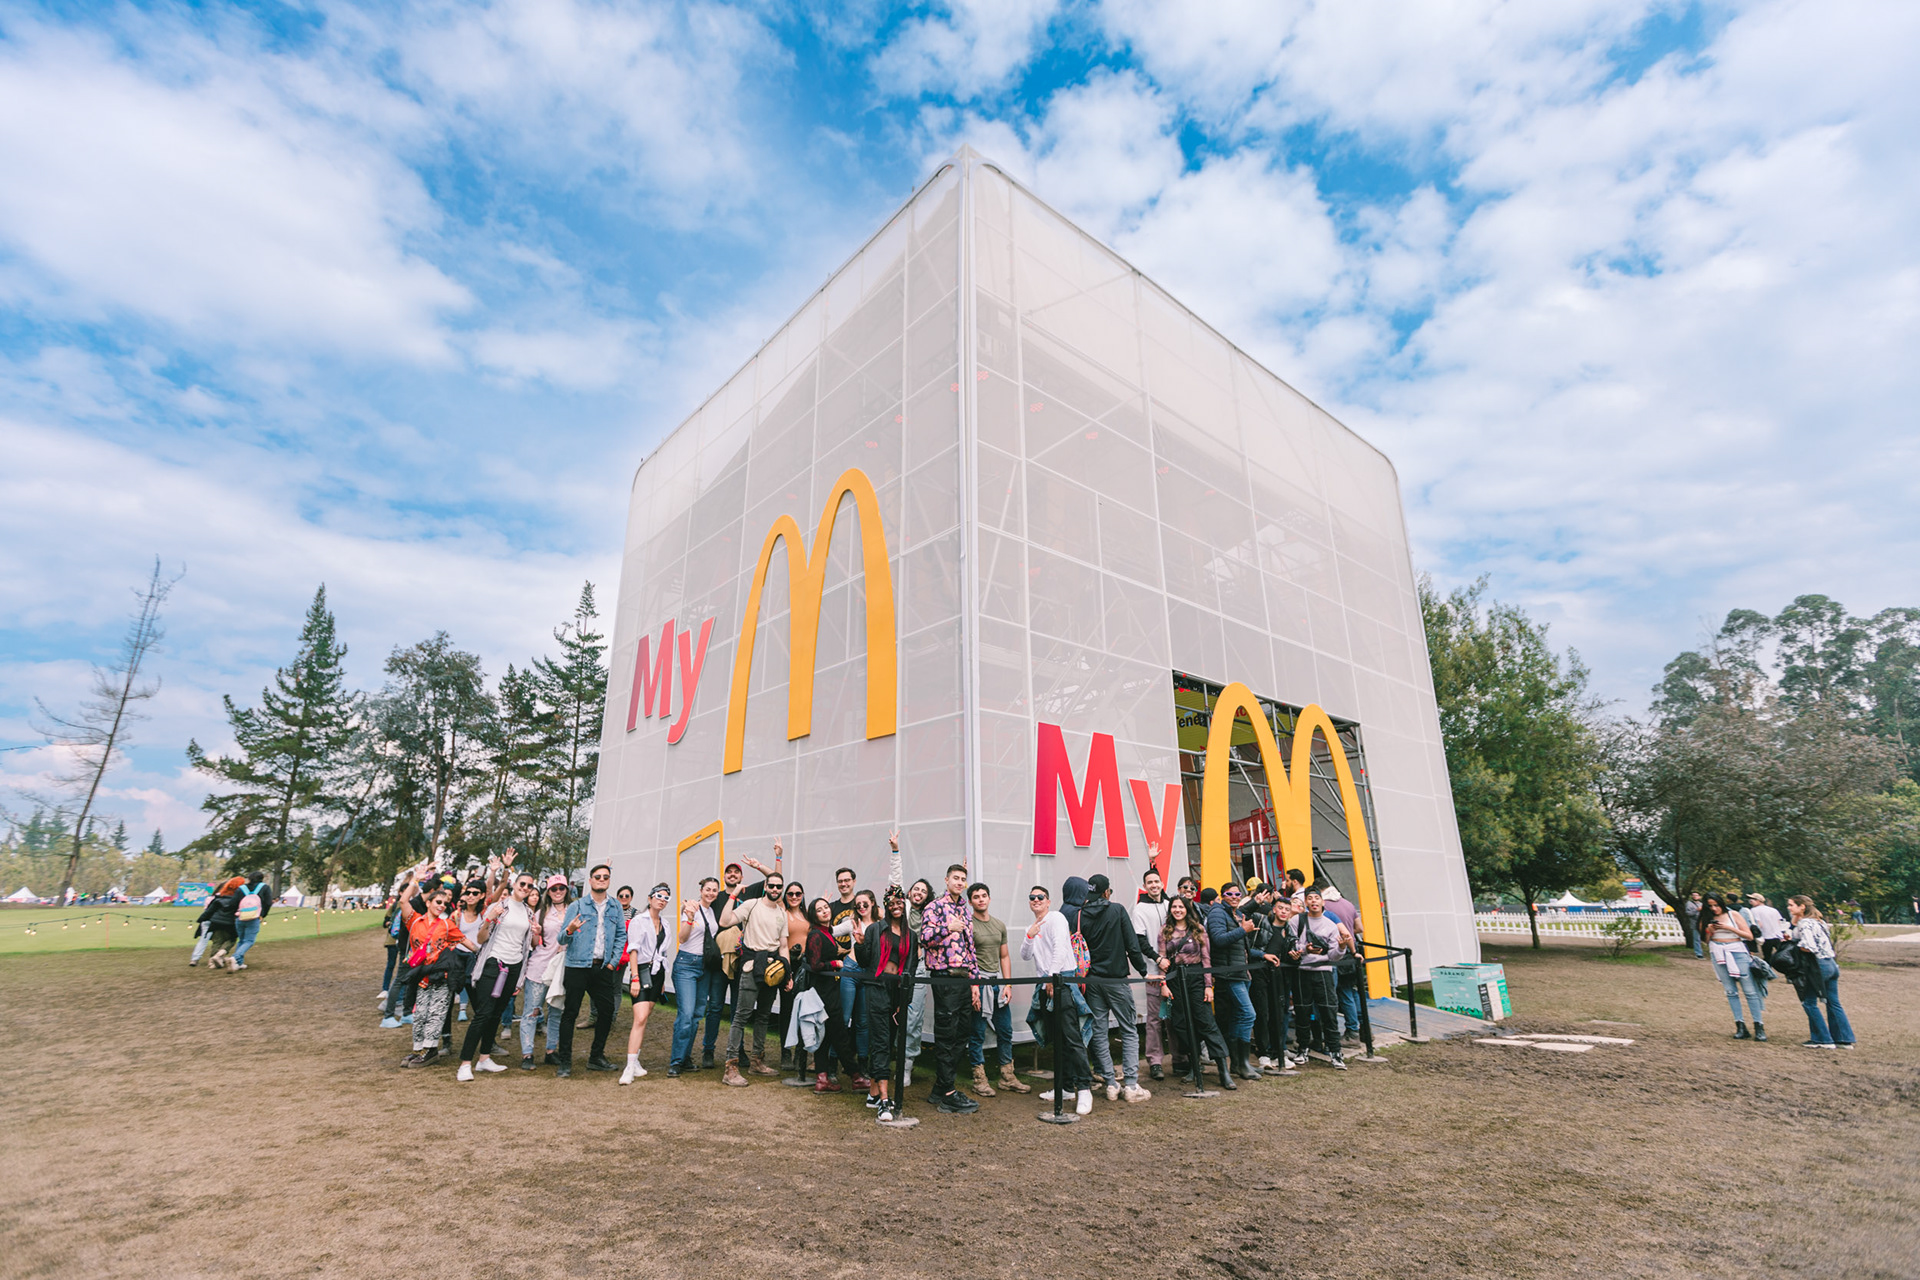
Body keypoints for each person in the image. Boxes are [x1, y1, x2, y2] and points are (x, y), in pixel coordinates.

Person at [1078, 873, 1152, 1103]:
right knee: (1128, 1030)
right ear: (1107, 892)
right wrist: (1143, 971)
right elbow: (1132, 944)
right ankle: (1130, 1085)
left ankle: (1110, 1083)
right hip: (1117, 979)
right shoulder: (1117, 910)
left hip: (1092, 981)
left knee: (1099, 1030)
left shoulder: (1080, 914)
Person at [457, 866, 536, 1081]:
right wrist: (490, 918)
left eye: (530, 886)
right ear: (514, 885)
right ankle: (465, 1063)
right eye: (523, 884)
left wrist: (535, 931)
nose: (526, 888)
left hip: (514, 966)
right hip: (493, 964)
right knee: (483, 1013)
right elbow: (481, 939)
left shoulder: (529, 913)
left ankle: (484, 1059)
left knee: (497, 1013)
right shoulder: (499, 906)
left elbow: (530, 944)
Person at [719, 850, 790, 1085]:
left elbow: (783, 945)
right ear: (766, 887)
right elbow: (724, 922)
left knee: (763, 1016)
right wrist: (734, 895)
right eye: (772, 886)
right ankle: (731, 1068)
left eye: (779, 887)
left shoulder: (782, 912)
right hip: (751, 966)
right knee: (741, 1016)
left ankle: (757, 1061)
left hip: (773, 970)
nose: (775, 889)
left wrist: (786, 971)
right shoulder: (751, 904)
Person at [1024, 883, 1093, 1115]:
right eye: (1032, 897)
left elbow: (1060, 949)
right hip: (1045, 983)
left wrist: (1053, 979)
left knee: (1072, 1037)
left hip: (1060, 980)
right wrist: (1028, 936)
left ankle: (1084, 1088)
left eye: (1040, 896)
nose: (1036, 900)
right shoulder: (1033, 926)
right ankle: (1064, 1087)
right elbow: (1025, 955)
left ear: (1048, 900)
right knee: (1057, 1038)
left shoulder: (1057, 918)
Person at [919, 863, 982, 1114]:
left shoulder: (966, 911)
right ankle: (947, 1093)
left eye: (963, 879)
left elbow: (971, 949)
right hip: (944, 975)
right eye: (955, 878)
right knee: (947, 1032)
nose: (959, 882)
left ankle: (941, 1086)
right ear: (946, 880)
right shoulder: (934, 906)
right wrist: (948, 928)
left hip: (965, 976)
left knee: (962, 1033)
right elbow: (924, 938)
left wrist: (975, 982)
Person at [555, 862, 628, 1078]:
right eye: (598, 877)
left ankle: (596, 1057)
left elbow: (621, 936)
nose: (602, 880)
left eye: (605, 877)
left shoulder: (615, 906)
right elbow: (561, 938)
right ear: (590, 880)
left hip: (602, 968)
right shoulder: (577, 906)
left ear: (608, 881)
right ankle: (565, 1062)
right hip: (577, 966)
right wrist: (570, 929)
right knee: (570, 1013)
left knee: (606, 1012)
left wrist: (612, 963)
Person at [1157, 895, 1233, 1090]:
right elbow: (1163, 960)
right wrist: (1163, 984)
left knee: (1206, 1021)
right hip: (1175, 980)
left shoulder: (1198, 929)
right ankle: (1194, 1065)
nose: (1177, 910)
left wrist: (1209, 986)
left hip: (1197, 978)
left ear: (1187, 909)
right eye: (1174, 907)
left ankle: (1223, 1069)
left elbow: (1207, 959)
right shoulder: (1165, 932)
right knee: (1181, 1024)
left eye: (1181, 906)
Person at [400, 879, 475, 1068]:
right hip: (422, 975)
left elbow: (467, 943)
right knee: (420, 1013)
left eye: (444, 903)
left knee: (436, 1012)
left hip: (442, 975)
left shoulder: (447, 925)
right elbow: (403, 901)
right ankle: (419, 1049)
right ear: (428, 903)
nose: (441, 906)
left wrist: (484, 952)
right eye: (437, 902)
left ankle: (431, 1050)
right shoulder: (415, 921)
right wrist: (415, 880)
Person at [859, 886, 918, 1122]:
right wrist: (860, 943)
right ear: (886, 906)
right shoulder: (875, 929)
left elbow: (911, 969)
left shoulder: (910, 935)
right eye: (891, 903)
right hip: (876, 990)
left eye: (899, 903)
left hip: (897, 993)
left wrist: (906, 1000)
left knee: (887, 1043)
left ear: (904, 905)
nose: (896, 906)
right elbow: (865, 962)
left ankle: (873, 1093)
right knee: (881, 1042)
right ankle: (884, 1099)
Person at [965, 882, 1028, 1096]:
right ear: (970, 901)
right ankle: (979, 1079)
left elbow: (1004, 956)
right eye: (976, 896)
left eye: (984, 895)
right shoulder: (968, 925)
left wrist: (1007, 984)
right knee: (977, 1032)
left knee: (1005, 1030)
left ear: (989, 899)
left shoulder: (999, 925)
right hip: (978, 982)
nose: (981, 899)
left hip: (997, 983)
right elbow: (966, 959)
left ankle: (1007, 1076)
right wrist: (973, 986)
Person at [804, 898, 868, 1093]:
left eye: (826, 907)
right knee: (839, 1034)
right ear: (813, 914)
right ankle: (856, 1076)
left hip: (828, 990)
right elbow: (814, 964)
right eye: (819, 909)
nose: (824, 911)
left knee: (826, 1036)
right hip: (823, 992)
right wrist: (835, 964)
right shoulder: (816, 934)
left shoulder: (827, 932)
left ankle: (822, 1079)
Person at [1289, 889, 1355, 1070]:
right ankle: (1302, 1049)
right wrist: (1305, 949)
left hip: (1323, 972)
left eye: (1316, 898)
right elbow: (1292, 945)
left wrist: (1342, 947)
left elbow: (1334, 956)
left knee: (1329, 1012)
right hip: (1302, 971)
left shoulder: (1330, 925)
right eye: (1309, 898)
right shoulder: (1297, 921)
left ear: (1323, 902)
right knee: (1302, 1013)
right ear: (1305, 903)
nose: (1313, 901)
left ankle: (1335, 1052)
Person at [1206, 883, 1265, 1082]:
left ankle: (1240, 1063)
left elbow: (1242, 948)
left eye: (1237, 893)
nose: (1234, 896)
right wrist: (1243, 930)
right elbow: (1218, 939)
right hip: (1229, 974)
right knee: (1249, 1014)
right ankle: (1241, 1062)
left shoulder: (1233, 912)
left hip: (1242, 973)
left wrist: (1264, 955)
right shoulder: (1217, 913)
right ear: (1222, 896)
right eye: (1229, 894)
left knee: (1240, 1016)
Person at [616, 884, 672, 1085]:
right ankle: (629, 1066)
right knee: (639, 1018)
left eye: (666, 898)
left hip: (658, 974)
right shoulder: (638, 921)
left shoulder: (665, 924)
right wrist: (634, 977)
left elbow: (663, 953)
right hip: (641, 971)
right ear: (650, 898)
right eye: (658, 896)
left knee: (645, 1016)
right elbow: (633, 950)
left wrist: (663, 982)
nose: (662, 900)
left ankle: (636, 1062)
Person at [668, 877, 720, 1077]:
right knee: (686, 1014)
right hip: (686, 965)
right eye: (708, 889)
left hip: (704, 966)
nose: (711, 893)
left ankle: (686, 1057)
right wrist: (689, 917)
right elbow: (682, 938)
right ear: (701, 890)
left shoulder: (711, 911)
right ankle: (675, 1061)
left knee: (697, 1015)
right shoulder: (691, 906)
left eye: (714, 890)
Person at [1787, 896, 1855, 1049]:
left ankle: (1823, 1039)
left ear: (1802, 906)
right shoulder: (1819, 921)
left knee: (1809, 1002)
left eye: (1791, 905)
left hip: (1817, 966)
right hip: (1831, 963)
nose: (1789, 908)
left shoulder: (1805, 923)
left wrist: (1793, 945)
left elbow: (1808, 946)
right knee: (1833, 1002)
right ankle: (1843, 1039)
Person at [518, 876, 569, 1068]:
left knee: (556, 1012)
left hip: (563, 968)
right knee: (532, 1011)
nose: (557, 891)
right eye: (554, 888)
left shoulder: (574, 911)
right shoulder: (540, 913)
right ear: (548, 891)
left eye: (561, 888)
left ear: (566, 889)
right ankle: (527, 1054)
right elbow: (533, 943)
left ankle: (551, 1051)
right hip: (540, 967)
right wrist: (537, 932)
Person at [1700, 894, 1765, 1040]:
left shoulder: (1733, 914)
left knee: (1749, 990)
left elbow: (1749, 936)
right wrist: (1709, 930)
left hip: (1737, 951)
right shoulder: (1705, 917)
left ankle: (1759, 1025)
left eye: (1716, 905)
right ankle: (1740, 1025)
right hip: (1718, 952)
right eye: (1710, 906)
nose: (1714, 909)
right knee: (1730, 991)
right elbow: (1704, 940)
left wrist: (1729, 928)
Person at [1130, 871, 1171, 1081]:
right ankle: (1155, 1061)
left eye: (1157, 881)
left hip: (1175, 968)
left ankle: (1181, 1057)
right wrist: (1156, 959)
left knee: (1176, 1016)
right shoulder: (1139, 909)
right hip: (1154, 971)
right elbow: (1139, 941)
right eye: (1149, 882)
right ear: (1145, 885)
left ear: (1162, 883)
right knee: (1154, 1018)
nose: (1154, 885)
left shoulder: (1171, 904)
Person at [838, 888, 879, 1069]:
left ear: (872, 904)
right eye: (858, 905)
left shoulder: (880, 925)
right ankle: (833, 1063)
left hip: (868, 973)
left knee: (863, 1022)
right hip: (850, 970)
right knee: (844, 1018)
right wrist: (838, 953)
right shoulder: (852, 923)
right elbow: (829, 931)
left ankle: (863, 1064)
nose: (862, 907)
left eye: (865, 904)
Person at [901, 876, 936, 1085]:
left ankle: (907, 1065)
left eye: (923, 891)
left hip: (920, 966)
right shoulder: (902, 909)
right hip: (897, 965)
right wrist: (895, 851)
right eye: (916, 889)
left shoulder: (930, 915)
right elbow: (895, 881)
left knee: (914, 1017)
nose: (919, 892)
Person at [1319, 884, 1364, 1043]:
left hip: (1338, 953)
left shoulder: (1325, 907)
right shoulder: (1348, 903)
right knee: (1352, 992)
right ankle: (1363, 1029)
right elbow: (1359, 928)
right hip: (1352, 952)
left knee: (1343, 994)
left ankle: (1352, 1032)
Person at [192, 876, 245, 969]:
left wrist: (201, 919)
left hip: (215, 922)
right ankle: (221, 953)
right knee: (232, 940)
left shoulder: (218, 898)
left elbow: (209, 911)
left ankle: (211, 962)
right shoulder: (238, 900)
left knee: (217, 941)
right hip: (230, 923)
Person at [228, 871, 273, 970]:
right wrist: (262, 915)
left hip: (240, 917)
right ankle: (235, 958)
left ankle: (239, 963)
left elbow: (233, 903)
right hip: (254, 917)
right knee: (249, 941)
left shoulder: (241, 889)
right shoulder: (265, 888)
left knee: (242, 940)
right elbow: (268, 903)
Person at [1685, 891, 1705, 958]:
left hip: (1703, 923)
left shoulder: (1702, 904)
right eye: (1693, 895)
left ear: (1699, 896)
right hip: (1695, 923)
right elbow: (1688, 913)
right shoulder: (1689, 904)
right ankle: (1699, 953)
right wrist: (1696, 910)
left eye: (1696, 895)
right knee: (1697, 939)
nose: (1695, 896)